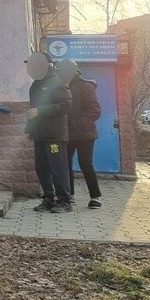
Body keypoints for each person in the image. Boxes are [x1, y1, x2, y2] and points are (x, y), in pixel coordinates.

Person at [25, 51, 74, 213]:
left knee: (58, 168)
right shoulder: (35, 86)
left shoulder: (57, 82)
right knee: (41, 168)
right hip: (40, 135)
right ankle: (48, 198)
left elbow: (66, 105)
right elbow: (33, 111)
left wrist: (41, 110)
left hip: (55, 136)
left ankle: (64, 201)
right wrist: (30, 129)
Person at [57, 59, 103, 209]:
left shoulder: (86, 86)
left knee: (86, 164)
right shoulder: (60, 87)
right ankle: (69, 195)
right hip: (66, 134)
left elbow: (95, 110)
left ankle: (95, 196)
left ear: (75, 71)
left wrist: (78, 123)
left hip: (85, 134)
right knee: (65, 165)